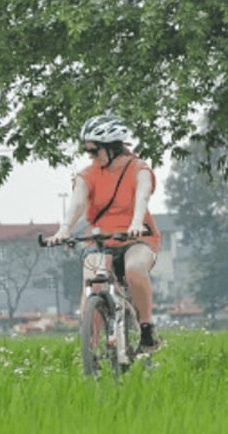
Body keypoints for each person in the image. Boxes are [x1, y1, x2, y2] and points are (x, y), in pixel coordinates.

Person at [50, 114, 163, 352]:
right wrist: (64, 229)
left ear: (112, 148)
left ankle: (146, 327)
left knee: (133, 270)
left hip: (137, 237)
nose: (90, 156)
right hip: (101, 238)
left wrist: (135, 222)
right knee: (93, 281)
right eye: (87, 151)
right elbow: (77, 203)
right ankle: (90, 344)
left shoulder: (139, 170)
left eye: (94, 150)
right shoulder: (87, 175)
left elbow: (142, 197)